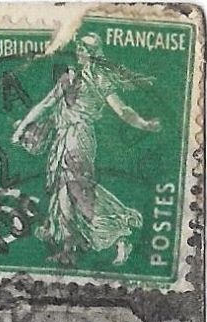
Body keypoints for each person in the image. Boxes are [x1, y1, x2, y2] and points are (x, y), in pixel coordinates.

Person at [11, 33, 160, 267]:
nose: (80, 49)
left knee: (77, 188)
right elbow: (47, 103)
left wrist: (143, 124)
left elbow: (122, 109)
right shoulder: (69, 76)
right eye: (80, 45)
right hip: (63, 137)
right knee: (64, 192)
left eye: (86, 47)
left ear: (94, 53)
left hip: (79, 137)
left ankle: (118, 233)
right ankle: (68, 248)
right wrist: (22, 128)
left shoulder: (99, 78)